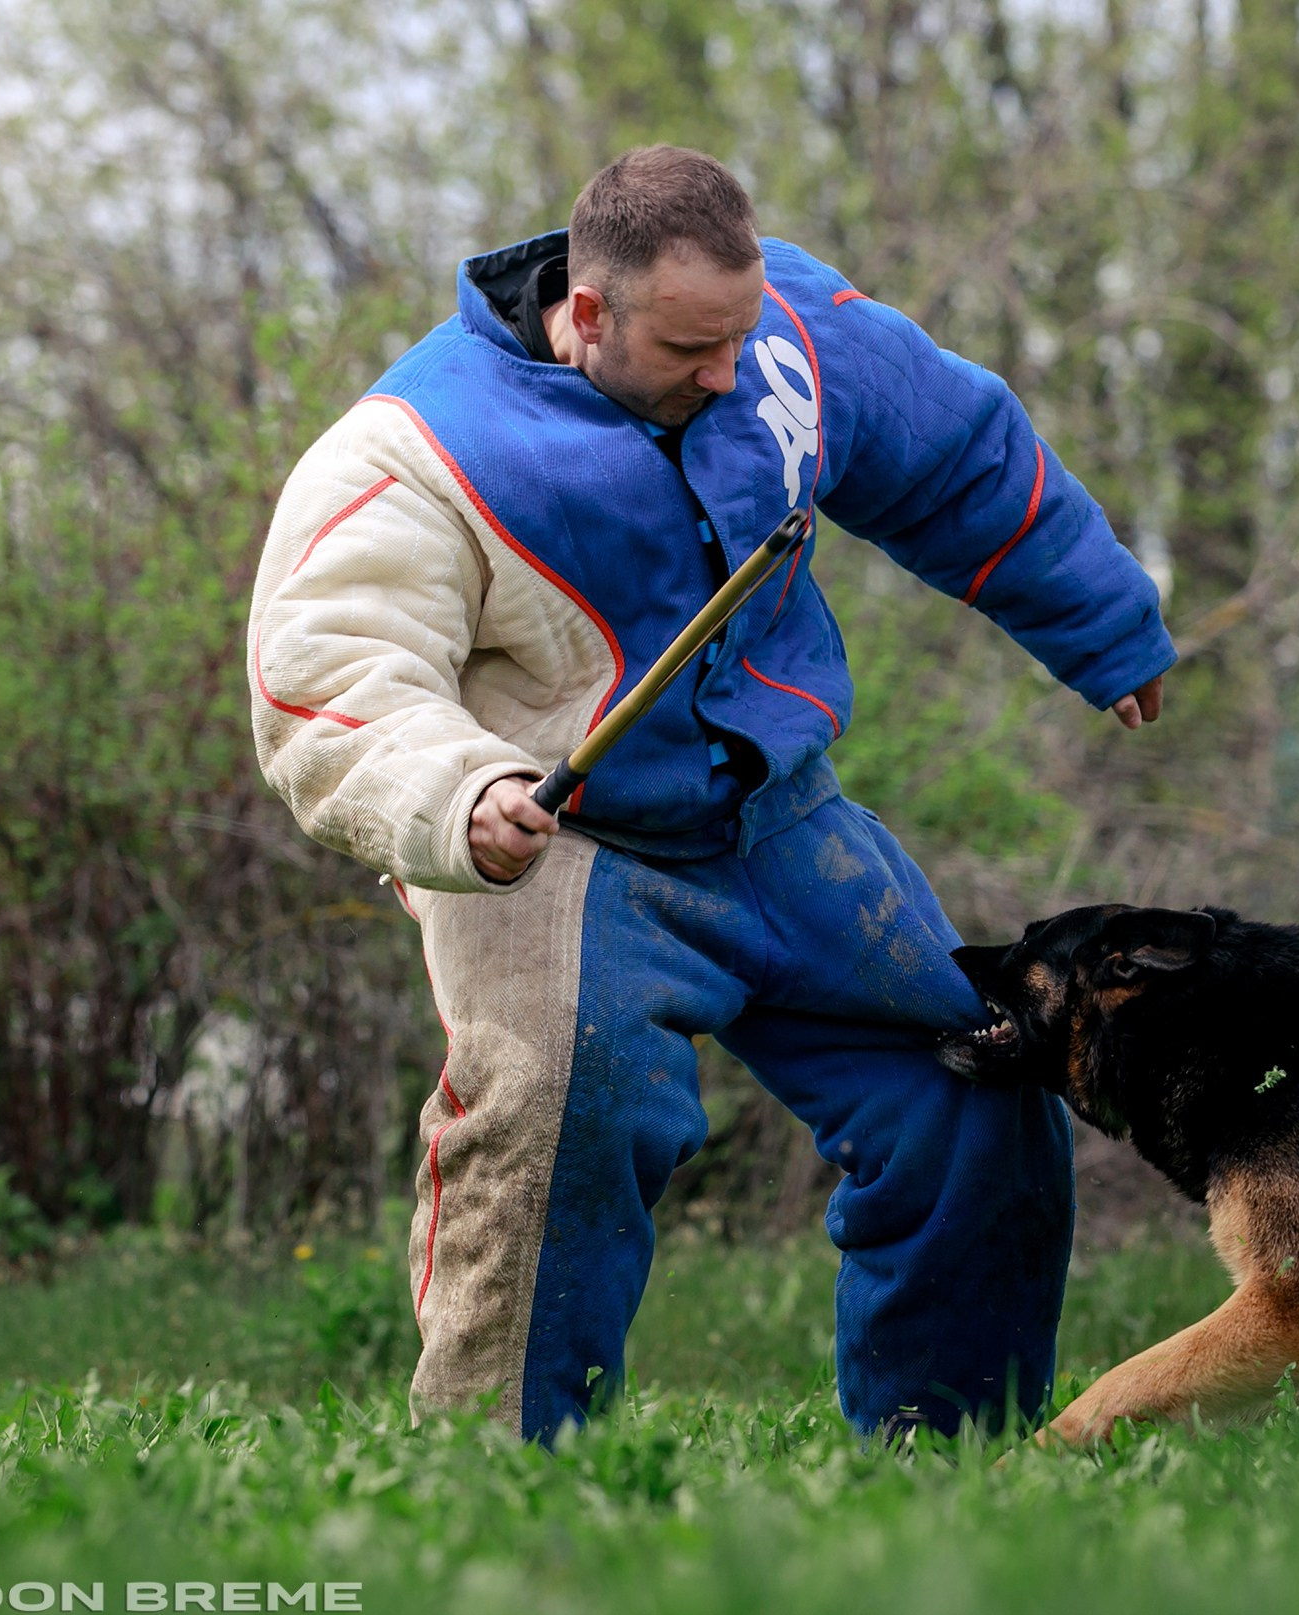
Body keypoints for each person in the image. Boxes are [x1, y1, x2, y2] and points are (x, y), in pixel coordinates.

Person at [246, 145, 1176, 1441]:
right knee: (563, 1112)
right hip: (553, 845)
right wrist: (459, 795)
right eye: (693, 350)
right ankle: (500, 1473)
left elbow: (953, 452)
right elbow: (329, 677)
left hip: (775, 819)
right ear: (587, 314)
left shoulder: (773, 324)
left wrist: (1106, 625)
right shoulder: (412, 452)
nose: (731, 375)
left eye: (740, 337)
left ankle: (950, 1456)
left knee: (974, 1077)